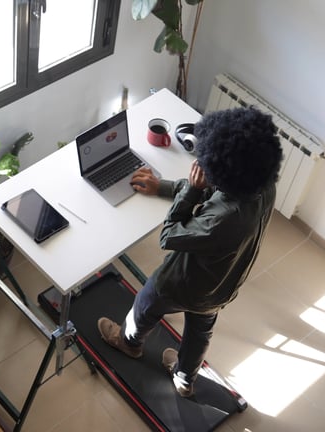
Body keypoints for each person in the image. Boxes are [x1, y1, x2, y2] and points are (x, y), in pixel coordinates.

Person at [97, 106, 283, 397]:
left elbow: (169, 235)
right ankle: (184, 378)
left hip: (181, 284)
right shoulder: (262, 186)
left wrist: (191, 192)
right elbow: (217, 191)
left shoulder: (220, 220)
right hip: (224, 284)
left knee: (145, 305)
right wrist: (164, 187)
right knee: (200, 332)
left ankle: (128, 343)